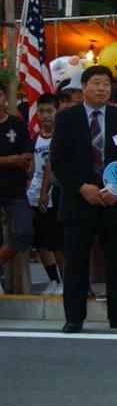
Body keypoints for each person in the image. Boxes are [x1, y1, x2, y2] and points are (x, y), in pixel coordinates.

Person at [51, 65, 117, 333]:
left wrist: (116, 189)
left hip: (113, 201)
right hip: (79, 202)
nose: (102, 88)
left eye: (106, 84)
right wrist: (82, 187)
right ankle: (74, 317)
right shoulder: (66, 119)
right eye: (96, 83)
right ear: (84, 87)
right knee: (76, 263)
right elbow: (59, 160)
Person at [0, 86, 33, 294]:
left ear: (3, 97)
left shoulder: (16, 124)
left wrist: (20, 161)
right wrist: (12, 159)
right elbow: (19, 158)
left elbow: (28, 156)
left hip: (15, 189)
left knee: (25, 231)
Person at [30, 94, 64, 295]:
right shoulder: (34, 137)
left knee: (57, 243)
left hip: (54, 193)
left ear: (57, 111)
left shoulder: (60, 136)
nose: (45, 116)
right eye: (41, 111)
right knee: (41, 242)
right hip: (35, 193)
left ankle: (65, 281)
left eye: (49, 111)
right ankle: (54, 279)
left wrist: (46, 191)